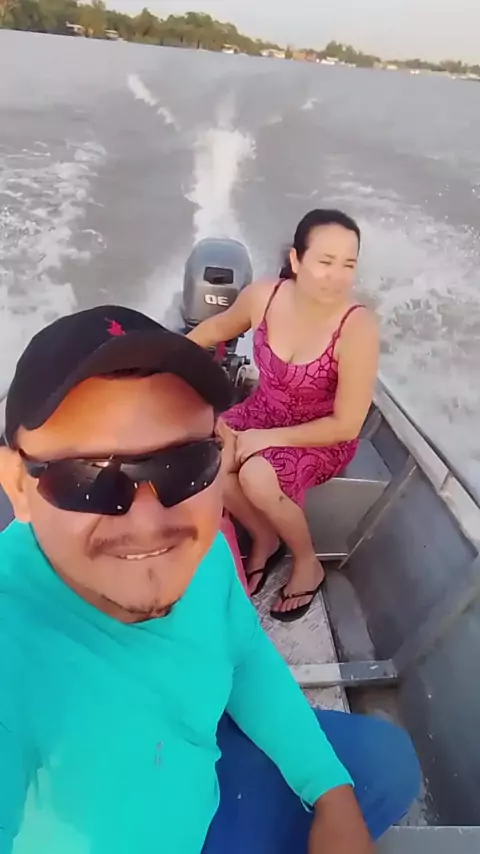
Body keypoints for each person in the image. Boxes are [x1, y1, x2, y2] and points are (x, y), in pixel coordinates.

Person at [0, 305, 419, 854]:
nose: (150, 523)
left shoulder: (204, 554)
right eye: (86, 477)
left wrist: (329, 791)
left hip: (195, 784)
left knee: (388, 763)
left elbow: (242, 653)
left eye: (185, 463)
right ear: (17, 485)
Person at [188, 209, 379, 622]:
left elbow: (347, 425)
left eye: (348, 265)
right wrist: (164, 366)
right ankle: (264, 537)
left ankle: (307, 562)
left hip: (320, 435)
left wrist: (265, 439)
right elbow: (212, 331)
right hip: (261, 411)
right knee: (207, 455)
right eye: (325, 262)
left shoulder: (356, 327)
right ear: (296, 259)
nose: (337, 276)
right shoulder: (264, 297)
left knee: (256, 475)